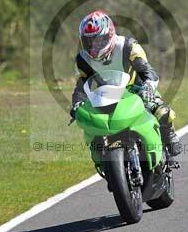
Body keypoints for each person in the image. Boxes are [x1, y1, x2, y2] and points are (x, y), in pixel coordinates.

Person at [70, 9, 182, 164]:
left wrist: (148, 88)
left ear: (110, 35)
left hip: (135, 89)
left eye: (99, 40)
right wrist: (77, 104)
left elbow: (147, 71)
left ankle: (168, 134)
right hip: (104, 95)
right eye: (89, 42)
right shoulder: (82, 59)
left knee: (161, 110)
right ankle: (104, 161)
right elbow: (81, 86)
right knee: (91, 122)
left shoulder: (128, 46)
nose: (94, 46)